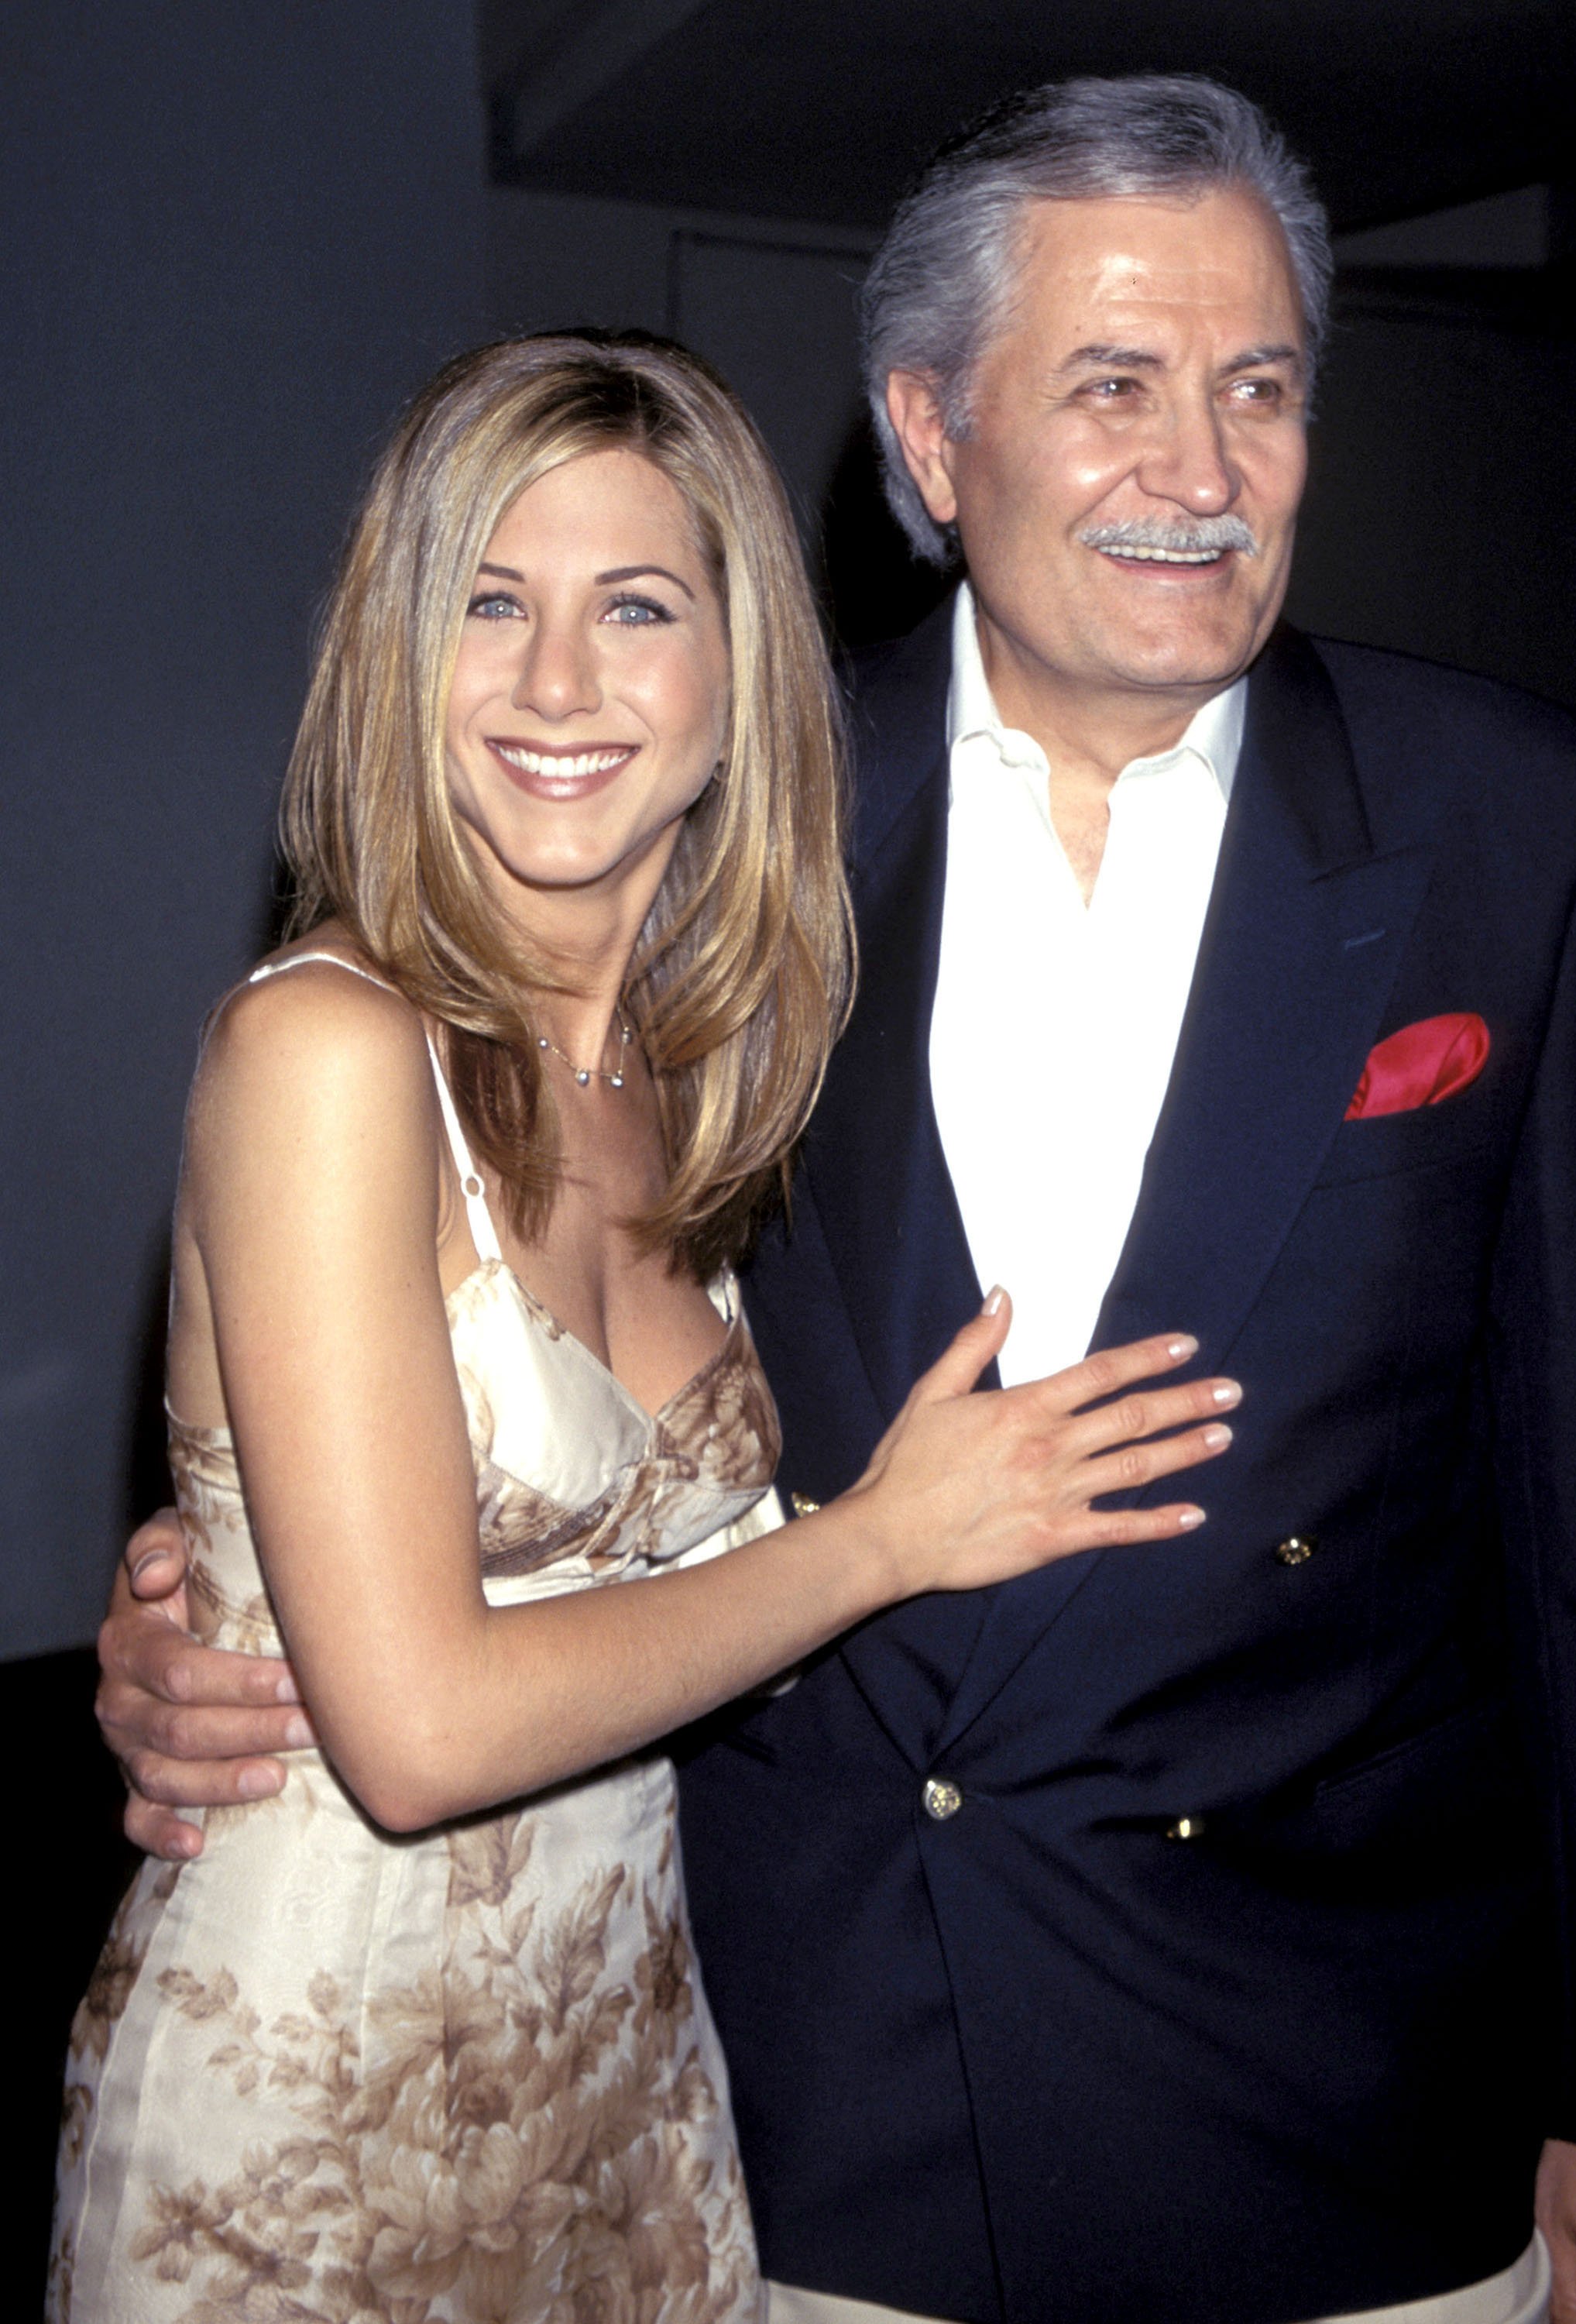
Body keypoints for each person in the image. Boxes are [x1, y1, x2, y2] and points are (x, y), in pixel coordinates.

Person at [94, 74, 1576, 2324]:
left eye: (1256, 388)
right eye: (1110, 386)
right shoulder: (721, 860)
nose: (1200, 471)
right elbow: (427, 1373)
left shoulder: (1521, 825)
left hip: (1334, 2112)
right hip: (813, 2107)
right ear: (931, 444)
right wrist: (216, 1603)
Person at [54, 328, 1240, 2323]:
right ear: (400, 658)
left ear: (733, 680)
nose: (554, 686)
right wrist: (882, 1537)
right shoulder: (328, 1050)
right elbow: (419, 1733)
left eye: (634, 608)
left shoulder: (723, 1084)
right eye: (488, 606)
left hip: (643, 2088)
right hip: (314, 2131)